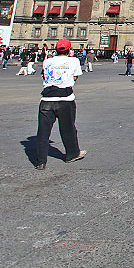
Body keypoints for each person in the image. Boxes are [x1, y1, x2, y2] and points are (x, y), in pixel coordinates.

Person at [35, 39, 86, 170]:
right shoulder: (73, 61)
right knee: (68, 129)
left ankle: (41, 161)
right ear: (69, 50)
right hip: (65, 99)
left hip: (46, 100)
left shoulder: (47, 61)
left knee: (43, 132)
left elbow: (44, 76)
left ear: (56, 49)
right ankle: (72, 154)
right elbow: (75, 77)